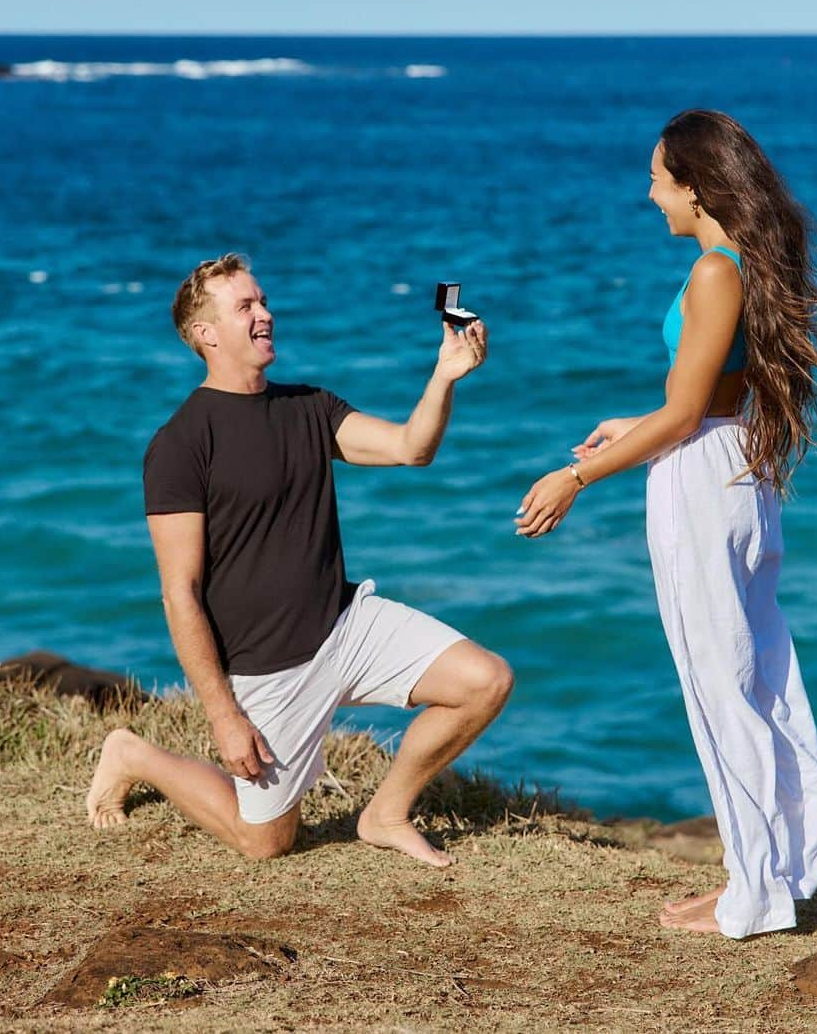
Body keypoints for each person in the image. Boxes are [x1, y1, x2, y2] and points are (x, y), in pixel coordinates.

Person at [516, 110, 817, 938]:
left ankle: (755, 896)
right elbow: (711, 399)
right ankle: (767, 874)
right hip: (735, 465)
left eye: (660, 178)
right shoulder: (743, 263)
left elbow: (688, 407)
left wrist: (576, 475)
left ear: (697, 186)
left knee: (719, 682)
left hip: (703, 483)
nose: (650, 192)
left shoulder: (712, 274)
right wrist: (638, 422)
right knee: (757, 676)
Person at [87, 254, 512, 865]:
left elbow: (410, 448)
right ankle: (133, 754)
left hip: (346, 626)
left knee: (486, 680)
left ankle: (385, 813)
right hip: (267, 667)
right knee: (265, 843)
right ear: (204, 334)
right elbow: (180, 592)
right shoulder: (180, 445)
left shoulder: (309, 406)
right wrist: (223, 716)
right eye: (245, 307)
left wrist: (444, 376)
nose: (265, 314)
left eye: (262, 301)